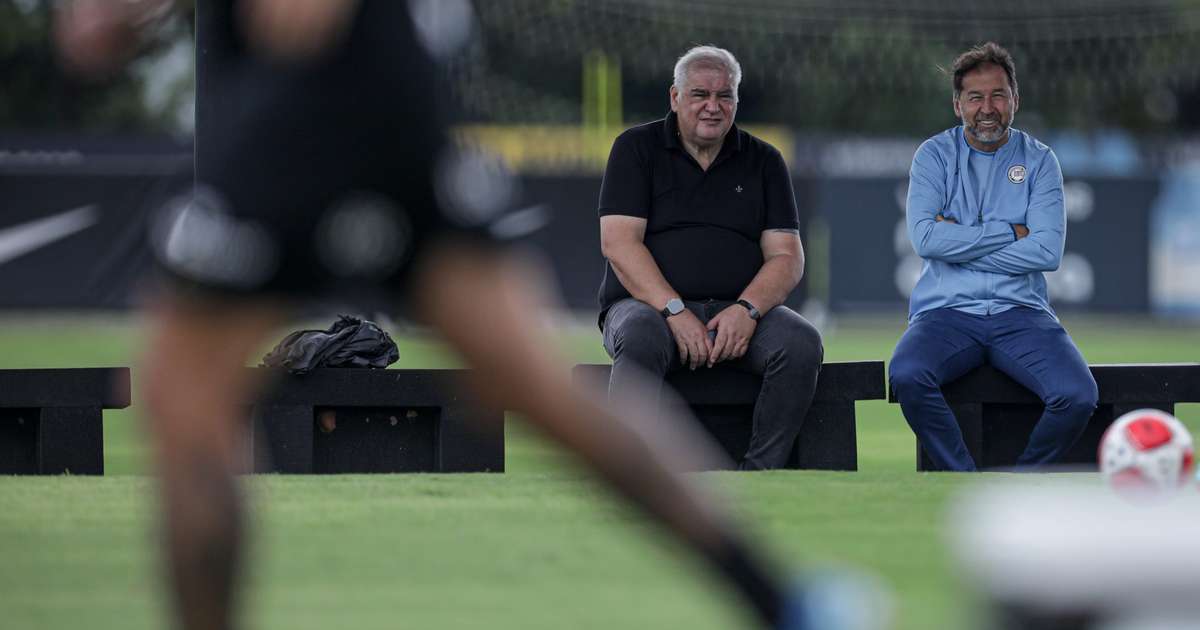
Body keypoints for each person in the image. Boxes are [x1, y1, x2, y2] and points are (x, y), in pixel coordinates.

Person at [52, 3, 879, 630]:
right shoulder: (638, 147)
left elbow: (108, 32)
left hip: (305, 100)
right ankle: (790, 603)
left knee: (184, 403)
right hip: (397, 93)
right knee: (541, 387)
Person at [596, 45, 823, 470]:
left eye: (725, 96)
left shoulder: (765, 161)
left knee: (800, 341)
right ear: (675, 97)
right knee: (641, 333)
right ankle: (630, 473)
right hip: (648, 310)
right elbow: (619, 245)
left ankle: (761, 474)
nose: (713, 107)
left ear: (737, 100)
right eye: (700, 94)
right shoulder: (635, 149)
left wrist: (748, 310)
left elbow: (786, 256)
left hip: (738, 314)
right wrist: (674, 310)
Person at [889, 42, 1098, 471]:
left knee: (1077, 396)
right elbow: (926, 241)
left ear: (1015, 100)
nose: (988, 107)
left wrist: (960, 246)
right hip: (945, 312)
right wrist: (1008, 233)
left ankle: (1019, 482)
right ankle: (962, 479)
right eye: (975, 97)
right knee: (907, 375)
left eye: (998, 95)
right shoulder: (933, 155)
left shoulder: (1040, 161)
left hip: (1021, 312)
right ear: (957, 104)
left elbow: (1045, 251)